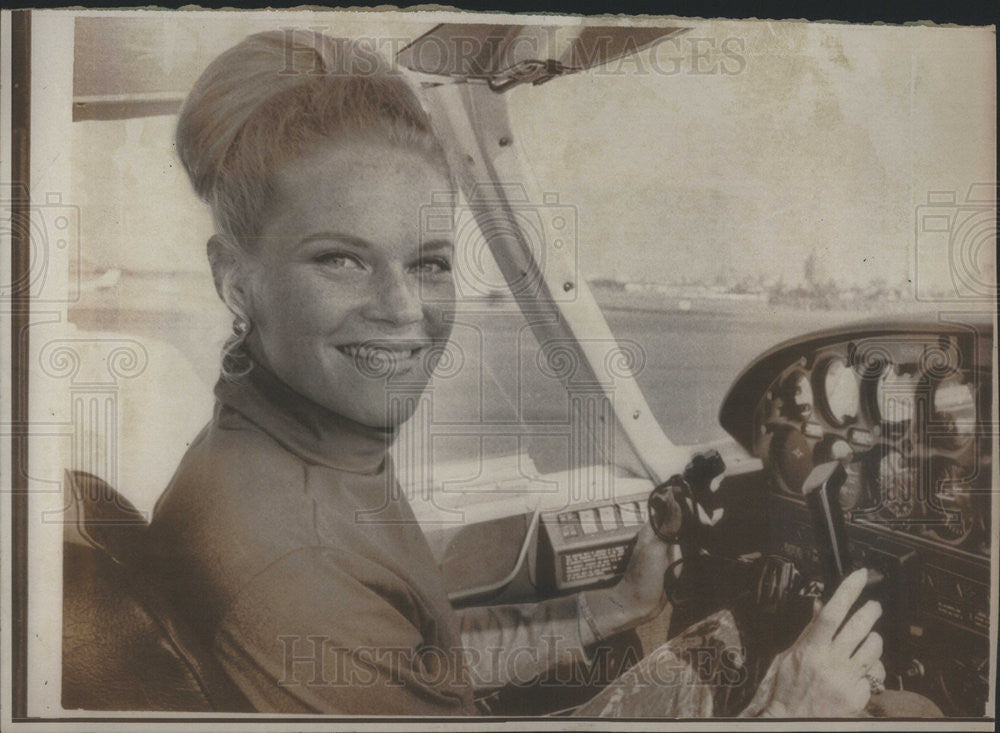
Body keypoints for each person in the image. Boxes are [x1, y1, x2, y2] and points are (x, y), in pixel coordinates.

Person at [147, 29, 935, 717]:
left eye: (428, 263)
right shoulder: (296, 563)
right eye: (341, 259)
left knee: (723, 638)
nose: (402, 308)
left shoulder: (305, 449)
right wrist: (786, 714)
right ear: (235, 279)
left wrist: (614, 605)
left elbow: (426, 667)